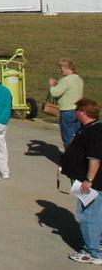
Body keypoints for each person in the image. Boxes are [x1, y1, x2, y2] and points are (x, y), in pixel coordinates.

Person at [61, 98, 102, 264]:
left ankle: (92, 252)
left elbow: (95, 158)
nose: (75, 113)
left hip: (90, 183)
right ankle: (97, 244)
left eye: (77, 110)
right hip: (85, 180)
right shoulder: (89, 128)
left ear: (83, 113)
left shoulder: (94, 132)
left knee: (88, 215)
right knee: (95, 215)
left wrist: (88, 180)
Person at [50, 59, 86, 150]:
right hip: (78, 110)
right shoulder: (78, 79)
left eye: (61, 68)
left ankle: (69, 159)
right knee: (77, 135)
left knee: (68, 137)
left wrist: (52, 85)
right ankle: (79, 157)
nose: (60, 70)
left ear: (68, 68)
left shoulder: (65, 80)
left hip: (67, 111)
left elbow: (55, 93)